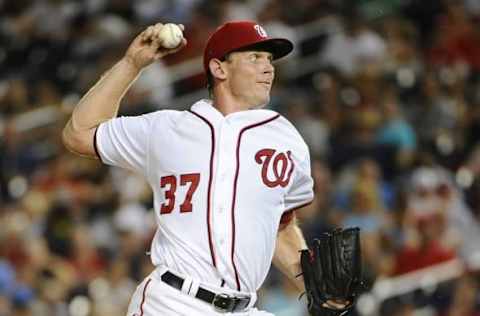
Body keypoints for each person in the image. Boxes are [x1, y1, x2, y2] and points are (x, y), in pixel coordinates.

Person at [63, 20, 315, 315]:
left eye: (270, 59)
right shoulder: (166, 128)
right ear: (219, 68)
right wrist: (132, 64)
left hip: (243, 306)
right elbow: (79, 133)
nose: (268, 67)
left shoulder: (286, 139)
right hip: (173, 301)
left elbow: (279, 225)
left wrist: (313, 285)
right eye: (254, 57)